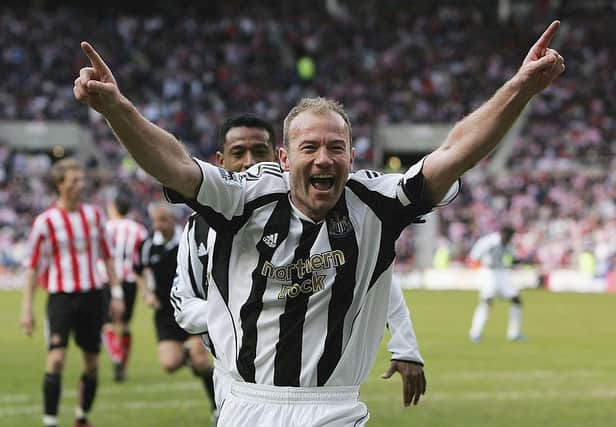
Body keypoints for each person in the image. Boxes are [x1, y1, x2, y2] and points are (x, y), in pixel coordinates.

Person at [74, 20, 565, 425]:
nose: (324, 158)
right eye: (310, 147)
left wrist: (519, 89)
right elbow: (174, 164)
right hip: (248, 404)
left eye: (336, 147)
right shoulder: (242, 199)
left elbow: (454, 152)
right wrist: (117, 108)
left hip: (336, 408)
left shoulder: (377, 202)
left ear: (353, 155)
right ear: (286, 158)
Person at [170, 115, 427, 414]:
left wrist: (405, 343)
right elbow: (183, 303)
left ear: (280, 159)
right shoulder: (199, 227)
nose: (250, 162)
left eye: (260, 152)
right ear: (220, 160)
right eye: (238, 153)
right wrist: (242, 314)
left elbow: (377, 279)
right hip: (236, 379)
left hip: (314, 392)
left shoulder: (309, 213)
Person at [20, 158, 124, 427]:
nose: (81, 184)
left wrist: (116, 294)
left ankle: (81, 417)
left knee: (92, 364)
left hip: (93, 296)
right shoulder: (46, 222)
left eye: (82, 179)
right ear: (60, 185)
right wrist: (27, 309)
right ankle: (50, 421)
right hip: (61, 298)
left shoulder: (95, 215)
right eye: (75, 180)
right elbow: (32, 268)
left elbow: (108, 257)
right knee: (55, 360)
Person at [133, 201, 217, 420]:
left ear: (172, 219)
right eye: (155, 221)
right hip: (165, 313)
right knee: (169, 364)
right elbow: (138, 271)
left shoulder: (187, 239)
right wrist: (146, 293)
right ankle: (189, 354)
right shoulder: (148, 245)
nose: (158, 225)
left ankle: (217, 407)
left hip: (191, 306)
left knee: (201, 362)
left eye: (163, 220)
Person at [100, 190, 148, 381]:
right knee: (125, 324)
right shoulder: (139, 229)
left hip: (108, 279)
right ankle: (123, 366)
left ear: (113, 207)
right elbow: (141, 261)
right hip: (129, 280)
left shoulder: (104, 227)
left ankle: (117, 356)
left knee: (107, 324)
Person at [468, 225, 524, 342]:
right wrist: (476, 270)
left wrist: (518, 262)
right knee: (487, 302)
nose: (509, 239)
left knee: (516, 300)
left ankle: (514, 334)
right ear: (503, 234)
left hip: (502, 272)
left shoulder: (508, 244)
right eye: (509, 236)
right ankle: (475, 333)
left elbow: (513, 259)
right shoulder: (490, 242)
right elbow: (474, 255)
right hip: (488, 272)